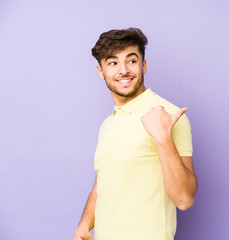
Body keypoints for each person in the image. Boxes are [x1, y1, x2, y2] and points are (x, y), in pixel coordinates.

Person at [72, 27, 198, 240]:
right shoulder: (109, 123)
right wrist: (83, 226)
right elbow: (103, 182)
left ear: (144, 65)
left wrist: (163, 137)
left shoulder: (168, 115)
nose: (123, 70)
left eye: (131, 61)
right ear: (100, 72)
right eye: (113, 63)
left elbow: (184, 199)